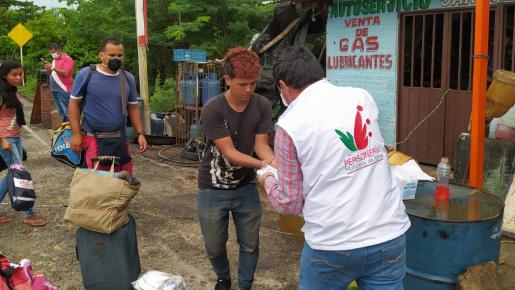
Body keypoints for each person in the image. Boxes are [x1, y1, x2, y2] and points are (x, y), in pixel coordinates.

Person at [258, 46, 410, 290]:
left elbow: (290, 202)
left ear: (284, 87)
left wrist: (267, 179)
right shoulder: (361, 96)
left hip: (333, 245)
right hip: (388, 235)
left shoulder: (290, 125)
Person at [197, 47, 276, 290]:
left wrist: (277, 166)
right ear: (227, 80)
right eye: (243, 84)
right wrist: (265, 166)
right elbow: (230, 153)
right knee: (214, 244)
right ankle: (223, 277)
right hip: (212, 188)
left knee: (250, 243)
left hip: (245, 186)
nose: (249, 90)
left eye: (253, 83)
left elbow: (261, 145)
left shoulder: (262, 105)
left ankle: (245, 285)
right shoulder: (213, 108)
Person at [68, 37, 148, 175]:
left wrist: (140, 133)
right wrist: (76, 134)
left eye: (120, 55)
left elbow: (133, 107)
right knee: (99, 187)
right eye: (112, 55)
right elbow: (74, 103)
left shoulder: (127, 78)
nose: (116, 58)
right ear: (101, 55)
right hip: (94, 139)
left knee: (123, 184)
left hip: (120, 140)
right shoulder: (87, 74)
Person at [0, 60, 47, 227]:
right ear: (5, 75)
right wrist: (3, 139)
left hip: (16, 138)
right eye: (15, 75)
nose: (19, 77)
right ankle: (29, 213)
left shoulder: (11, 90)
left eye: (21, 74)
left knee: (12, 175)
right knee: (19, 175)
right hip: (6, 140)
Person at [43, 43, 74, 122]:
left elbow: (66, 73)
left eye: (53, 52)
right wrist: (48, 68)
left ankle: (71, 129)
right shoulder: (54, 60)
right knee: (60, 111)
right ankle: (65, 128)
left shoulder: (67, 59)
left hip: (63, 89)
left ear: (59, 51)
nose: (52, 54)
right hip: (54, 89)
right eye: (51, 52)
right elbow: (53, 73)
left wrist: (52, 67)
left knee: (66, 111)